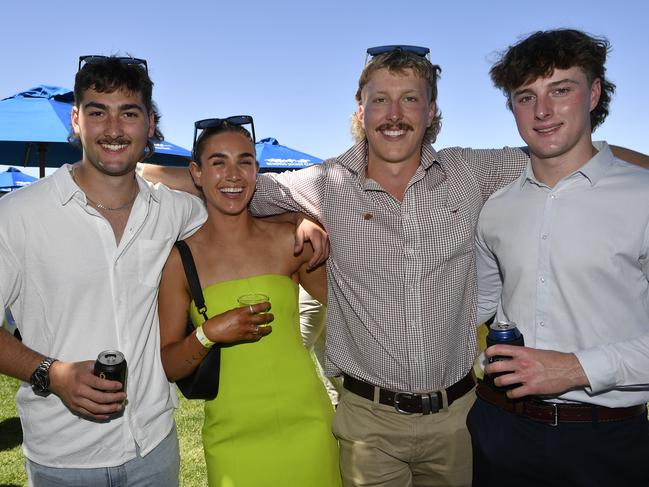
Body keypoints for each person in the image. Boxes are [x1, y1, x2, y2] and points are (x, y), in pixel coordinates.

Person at [139, 45, 648, 487]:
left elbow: (572, 152)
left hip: (457, 418)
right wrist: (127, 175)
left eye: (410, 99)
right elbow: (234, 187)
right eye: (379, 99)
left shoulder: (470, 171)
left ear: (431, 112)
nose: (394, 113)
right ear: (360, 111)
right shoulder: (324, 184)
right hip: (368, 425)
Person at [0, 55, 211, 486]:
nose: (113, 129)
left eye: (128, 113)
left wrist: (297, 222)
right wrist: (51, 373)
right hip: (63, 459)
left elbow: (236, 196)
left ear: (150, 124)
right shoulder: (16, 215)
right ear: (76, 120)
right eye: (98, 112)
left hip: (154, 445)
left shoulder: (179, 212)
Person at [467, 29, 649, 487]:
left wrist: (574, 368)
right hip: (497, 430)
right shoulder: (496, 207)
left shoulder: (643, 197)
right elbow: (476, 307)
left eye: (560, 90)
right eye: (525, 96)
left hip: (607, 444)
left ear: (594, 93)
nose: (542, 111)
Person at [157, 117, 341, 487]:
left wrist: (305, 217)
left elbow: (353, 309)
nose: (233, 174)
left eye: (244, 161)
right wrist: (208, 334)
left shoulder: (290, 241)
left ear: (257, 171)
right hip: (231, 437)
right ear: (196, 173)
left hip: (308, 424)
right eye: (218, 162)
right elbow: (171, 365)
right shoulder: (180, 261)